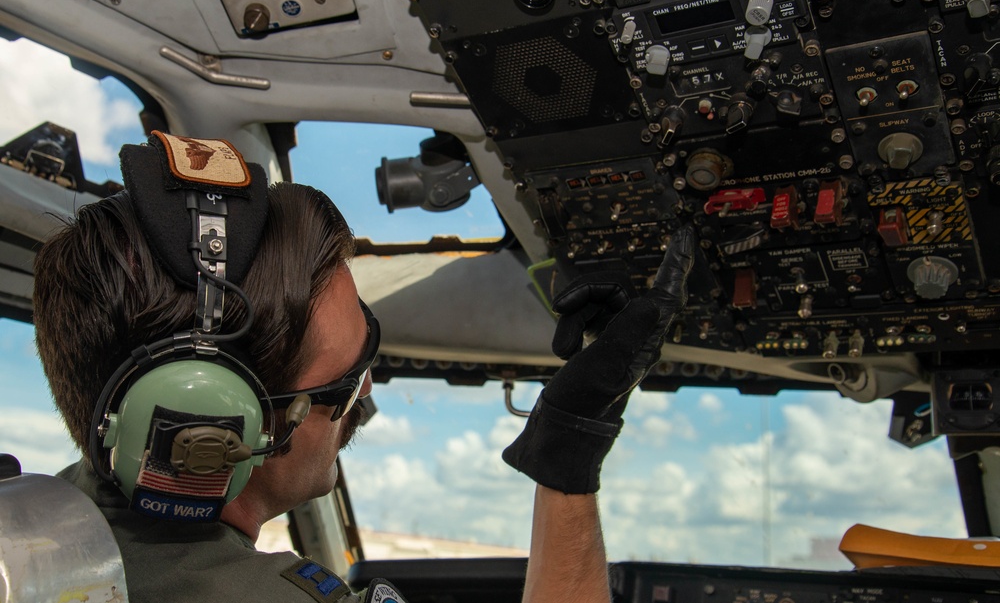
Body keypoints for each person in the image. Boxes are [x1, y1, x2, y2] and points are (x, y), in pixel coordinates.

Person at [32, 132, 693, 603]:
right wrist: (570, 449)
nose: (366, 389)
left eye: (368, 348)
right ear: (213, 428)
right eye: (342, 387)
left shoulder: (32, 525)